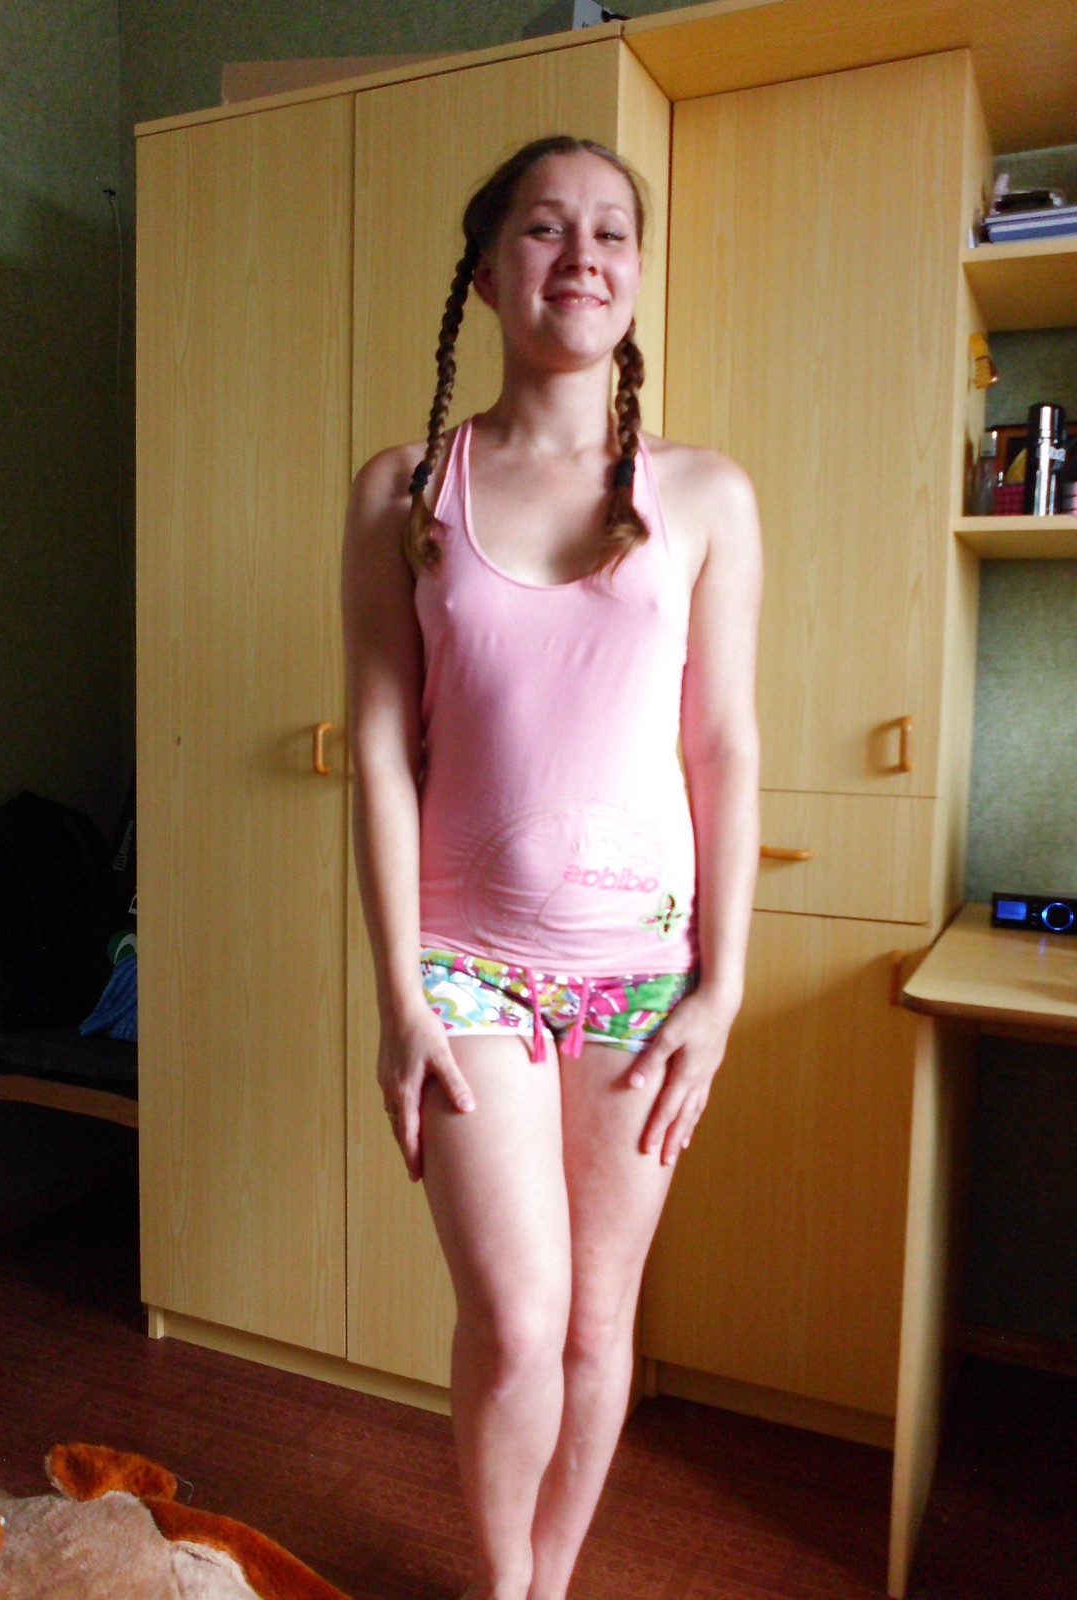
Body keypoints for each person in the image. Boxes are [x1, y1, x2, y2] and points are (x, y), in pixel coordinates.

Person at [341, 134, 762, 1600]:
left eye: (611, 232)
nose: (582, 255)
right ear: (484, 271)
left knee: (594, 1329)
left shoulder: (706, 496)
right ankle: (499, 1580)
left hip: (646, 978)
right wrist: (399, 999)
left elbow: (725, 745)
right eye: (542, 228)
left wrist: (724, 986)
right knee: (517, 1324)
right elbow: (382, 750)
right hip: (464, 968)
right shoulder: (404, 490)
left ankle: (542, 1589)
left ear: (635, 276)